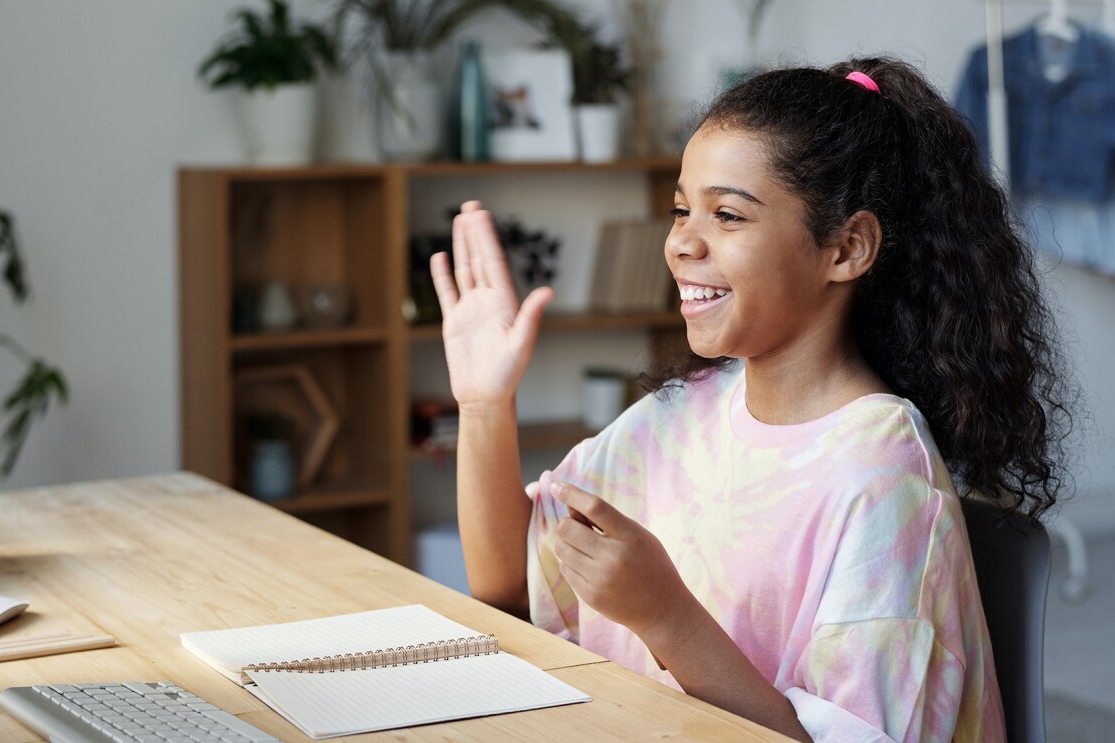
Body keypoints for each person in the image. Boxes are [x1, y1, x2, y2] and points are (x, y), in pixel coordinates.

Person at [430, 57, 1075, 742]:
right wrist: (483, 403)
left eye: (728, 214)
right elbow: (506, 587)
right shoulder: (677, 416)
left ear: (847, 248)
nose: (682, 241)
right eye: (682, 209)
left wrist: (665, 616)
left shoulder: (885, 480)